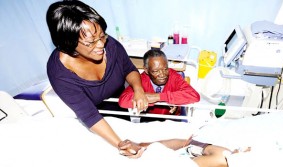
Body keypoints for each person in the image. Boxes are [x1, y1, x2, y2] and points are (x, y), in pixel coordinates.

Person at [46, 0, 149, 158]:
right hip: (96, 116)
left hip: (119, 102)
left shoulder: (111, 46)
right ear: (68, 43)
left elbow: (129, 69)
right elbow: (89, 115)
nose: (101, 44)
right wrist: (120, 144)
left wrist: (138, 89)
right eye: (91, 42)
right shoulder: (59, 73)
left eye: (102, 36)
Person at [119, 49, 200, 122]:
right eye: (156, 71)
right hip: (149, 121)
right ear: (146, 70)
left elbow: (194, 96)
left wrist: (158, 97)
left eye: (165, 69)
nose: (162, 74)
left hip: (172, 121)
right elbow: (123, 101)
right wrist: (142, 96)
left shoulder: (173, 76)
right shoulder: (141, 79)